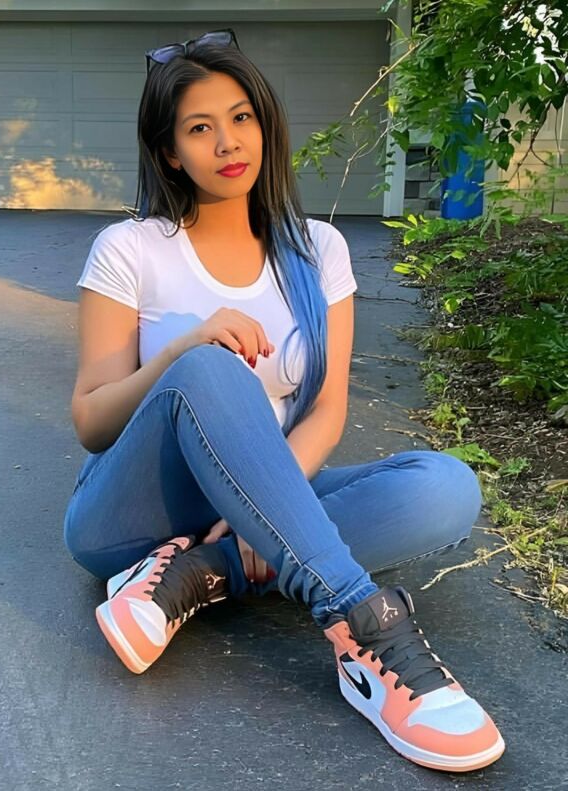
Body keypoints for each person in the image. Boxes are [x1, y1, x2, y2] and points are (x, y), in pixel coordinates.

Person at [63, 28, 505, 773]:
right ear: (170, 153)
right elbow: (91, 419)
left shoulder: (317, 250)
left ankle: (206, 570)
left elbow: (327, 411)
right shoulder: (130, 249)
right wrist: (180, 352)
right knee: (209, 369)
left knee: (446, 486)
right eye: (199, 128)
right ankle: (364, 623)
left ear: (265, 124)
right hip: (130, 513)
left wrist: (255, 516)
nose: (227, 142)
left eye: (241, 117)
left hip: (267, 487)